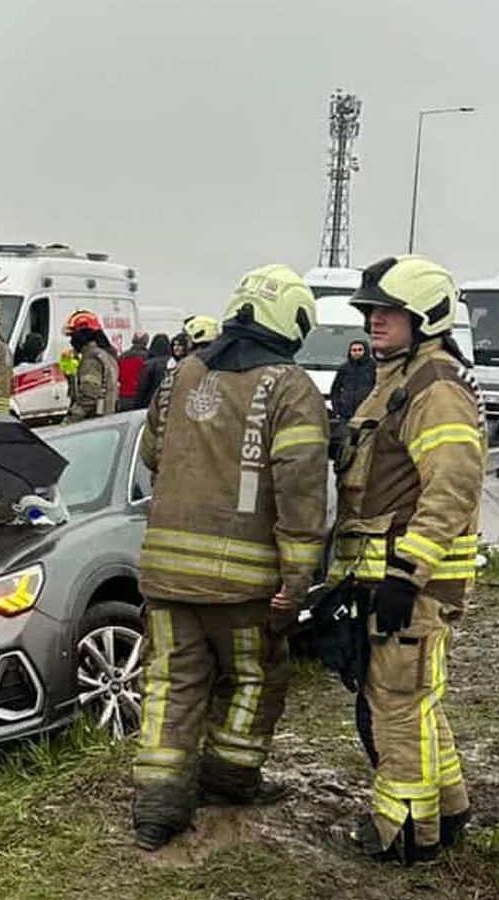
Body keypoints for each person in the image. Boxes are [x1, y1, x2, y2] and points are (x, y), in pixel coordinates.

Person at [133, 264, 328, 852]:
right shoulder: (291, 388)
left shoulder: (179, 375)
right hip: (245, 586)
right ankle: (228, 779)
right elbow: (300, 488)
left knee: (170, 682)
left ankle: (156, 809)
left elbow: (151, 456)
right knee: (253, 677)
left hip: (164, 572)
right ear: (291, 321)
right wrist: (296, 579)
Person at [333, 256, 481, 865]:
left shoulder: (434, 388)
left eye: (388, 311)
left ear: (426, 317)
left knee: (395, 707)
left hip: (407, 582)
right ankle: (448, 811)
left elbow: (452, 486)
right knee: (416, 703)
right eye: (371, 311)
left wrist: (405, 573)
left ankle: (401, 831)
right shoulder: (400, 379)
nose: (374, 320)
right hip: (385, 575)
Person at [63, 311, 119, 422]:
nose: (71, 341)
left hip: (92, 422)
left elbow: (88, 396)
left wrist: (70, 420)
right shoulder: (105, 355)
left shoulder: (91, 358)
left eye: (73, 335)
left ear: (83, 334)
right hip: (106, 419)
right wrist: (70, 374)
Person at [330, 339, 376, 424]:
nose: (356, 352)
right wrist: (337, 410)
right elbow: (335, 390)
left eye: (360, 350)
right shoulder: (344, 368)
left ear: (366, 351)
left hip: (366, 413)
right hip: (346, 414)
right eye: (354, 350)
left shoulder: (374, 367)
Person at [132, 333, 172, 410]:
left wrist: (137, 405)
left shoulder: (148, 365)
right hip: (169, 404)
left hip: (150, 404)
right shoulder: (175, 363)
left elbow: (142, 388)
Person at [118, 332, 149, 412]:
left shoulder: (122, 356)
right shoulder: (148, 357)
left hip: (123, 396)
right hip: (140, 397)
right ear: (146, 341)